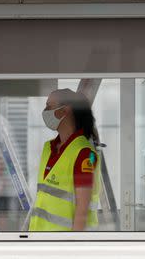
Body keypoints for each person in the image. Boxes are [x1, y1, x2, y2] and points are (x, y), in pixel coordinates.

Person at [29, 88, 100, 231]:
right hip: (43, 242)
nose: (45, 111)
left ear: (64, 111)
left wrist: (71, 248)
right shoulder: (48, 148)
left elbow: (82, 211)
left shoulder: (84, 153)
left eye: (49, 106)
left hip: (63, 245)